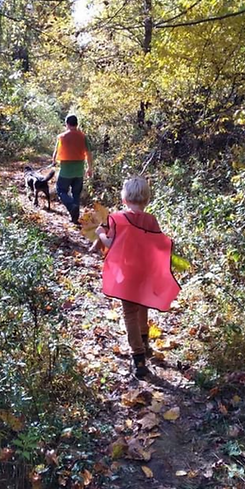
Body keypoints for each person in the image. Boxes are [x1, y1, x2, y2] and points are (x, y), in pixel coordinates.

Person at [93, 176, 181, 379]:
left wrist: (100, 234)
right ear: (147, 199)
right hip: (145, 272)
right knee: (143, 306)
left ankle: (138, 358)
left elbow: (111, 244)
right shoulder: (151, 220)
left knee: (129, 313)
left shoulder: (117, 218)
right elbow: (158, 244)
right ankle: (145, 343)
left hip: (126, 274)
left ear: (124, 198)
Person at [52, 114, 93, 225]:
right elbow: (89, 154)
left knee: (61, 190)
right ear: (77, 124)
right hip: (79, 171)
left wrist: (54, 161)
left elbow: (55, 153)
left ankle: (71, 205)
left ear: (66, 124)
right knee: (76, 194)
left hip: (66, 171)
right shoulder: (83, 137)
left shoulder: (61, 137)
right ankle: (75, 218)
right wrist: (90, 168)